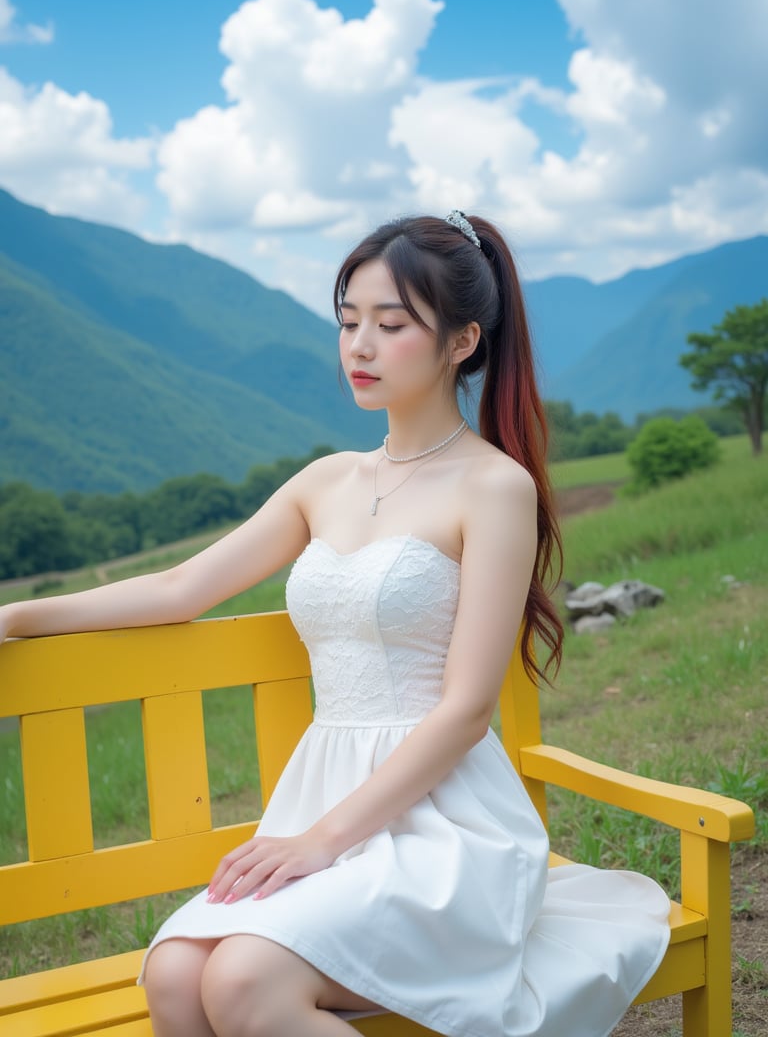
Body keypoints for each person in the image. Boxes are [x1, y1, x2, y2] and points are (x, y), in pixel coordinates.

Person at [0, 212, 670, 1037]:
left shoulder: (494, 488)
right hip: (321, 793)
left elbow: (464, 711)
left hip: (440, 820)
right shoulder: (325, 480)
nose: (359, 346)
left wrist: (322, 842)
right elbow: (182, 588)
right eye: (349, 321)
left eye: (390, 325)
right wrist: (14, 617)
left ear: (463, 341)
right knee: (175, 976)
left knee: (245, 982)